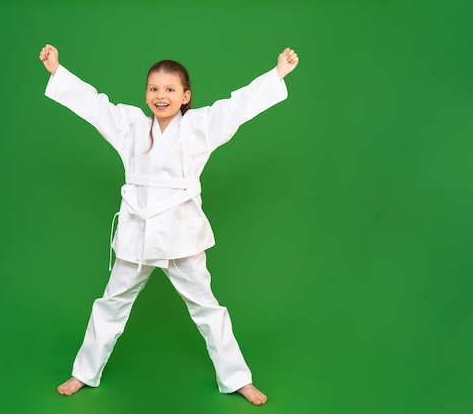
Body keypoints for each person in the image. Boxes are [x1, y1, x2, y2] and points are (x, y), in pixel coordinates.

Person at [39, 43, 299, 406]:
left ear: (185, 96)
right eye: (153, 88)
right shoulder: (130, 126)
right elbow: (96, 107)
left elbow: (235, 108)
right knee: (111, 303)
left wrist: (277, 75)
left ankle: (238, 378)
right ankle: (84, 372)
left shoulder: (199, 127)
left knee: (208, 309)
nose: (160, 95)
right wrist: (57, 71)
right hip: (138, 231)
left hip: (182, 233)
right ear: (146, 94)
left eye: (170, 89)